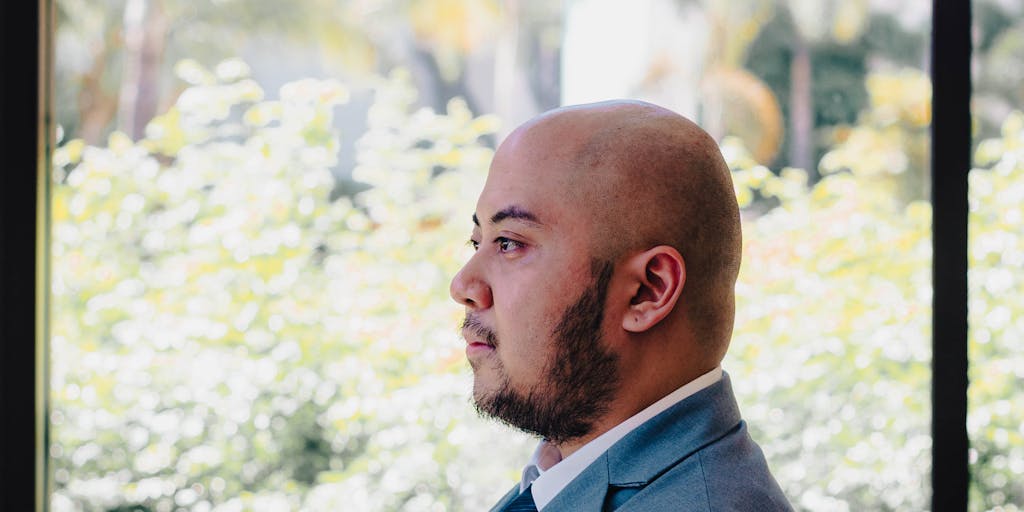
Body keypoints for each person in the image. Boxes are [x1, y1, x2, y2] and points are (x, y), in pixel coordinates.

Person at [449, 100, 792, 511]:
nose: (463, 286)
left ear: (648, 291)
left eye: (510, 243)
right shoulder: (566, 474)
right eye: (477, 241)